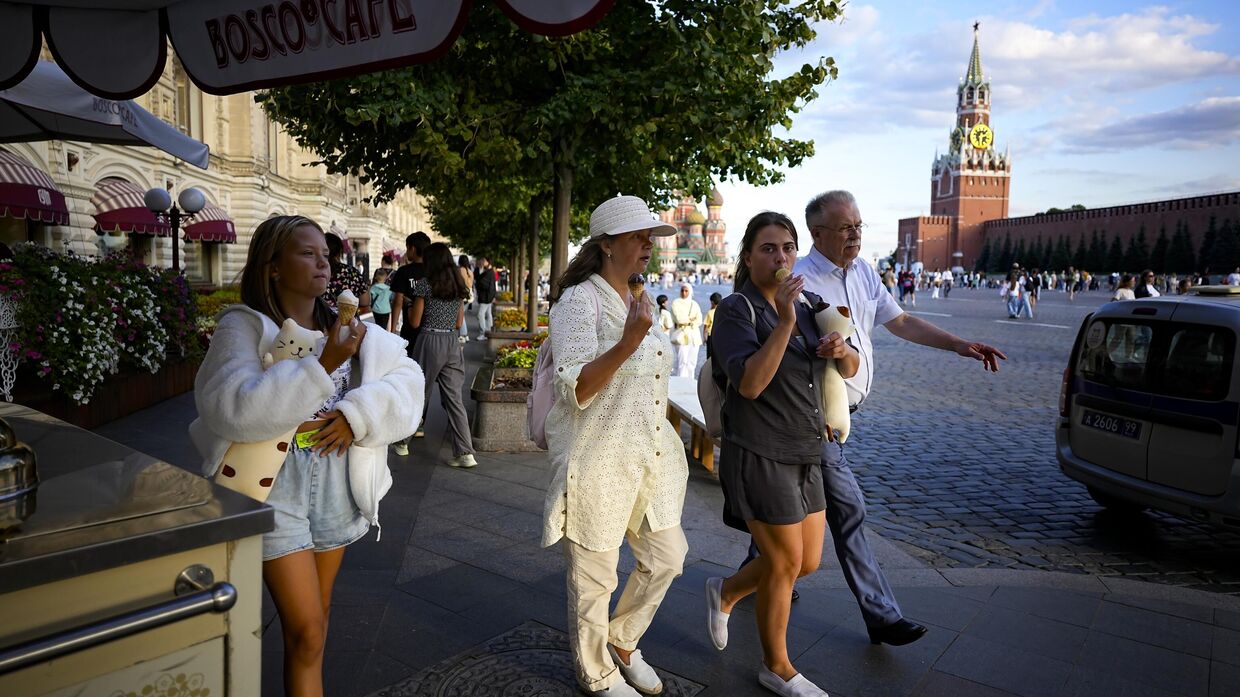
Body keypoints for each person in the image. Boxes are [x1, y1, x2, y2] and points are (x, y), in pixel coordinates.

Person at [190, 215, 423, 697]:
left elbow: (407, 381)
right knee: (307, 629)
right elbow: (230, 405)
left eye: (325, 253)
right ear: (272, 266)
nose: (322, 262)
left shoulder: (351, 326)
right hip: (275, 484)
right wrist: (324, 365)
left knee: (315, 627)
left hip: (337, 478)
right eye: (306, 253)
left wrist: (358, 414)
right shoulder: (244, 326)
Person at [791, 190, 1005, 648]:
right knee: (849, 509)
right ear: (817, 233)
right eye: (846, 227)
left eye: (859, 225)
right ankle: (881, 615)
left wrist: (958, 344)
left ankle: (765, 573)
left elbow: (902, 321)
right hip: (814, 417)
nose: (855, 233)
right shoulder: (800, 279)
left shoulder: (865, 272)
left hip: (842, 417)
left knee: (792, 503)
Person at [541, 195, 687, 697]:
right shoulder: (579, 301)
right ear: (607, 245)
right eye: (638, 236)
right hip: (598, 456)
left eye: (651, 237)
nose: (649, 245)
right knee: (595, 578)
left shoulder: (638, 297)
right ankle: (597, 672)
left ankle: (623, 640)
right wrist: (627, 342)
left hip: (648, 455)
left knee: (667, 556)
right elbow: (575, 387)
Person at [707, 212, 849, 697]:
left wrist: (838, 349)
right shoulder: (735, 310)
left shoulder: (812, 303)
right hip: (759, 450)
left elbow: (849, 365)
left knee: (807, 563)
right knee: (785, 562)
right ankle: (776, 666)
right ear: (748, 257)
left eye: (788, 247)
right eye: (769, 248)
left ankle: (727, 591)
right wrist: (786, 321)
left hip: (805, 448)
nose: (781, 257)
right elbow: (749, 383)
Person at [411, 243, 477, 468]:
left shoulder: (424, 286)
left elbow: (415, 321)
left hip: (429, 339)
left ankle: (402, 440)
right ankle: (465, 452)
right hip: (451, 342)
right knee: (454, 398)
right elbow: (459, 322)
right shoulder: (458, 286)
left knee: (419, 392)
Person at [388, 231, 431, 454]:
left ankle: (408, 422)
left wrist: (392, 328)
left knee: (407, 375)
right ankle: (421, 422)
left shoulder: (404, 272)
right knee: (424, 376)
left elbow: (397, 302)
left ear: (413, 249)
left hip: (410, 331)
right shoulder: (433, 272)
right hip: (431, 331)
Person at [322, 229, 370, 315]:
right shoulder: (352, 272)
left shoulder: (314, 270)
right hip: (348, 323)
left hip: (319, 321)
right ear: (339, 252)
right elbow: (365, 301)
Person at [669, 282, 703, 377]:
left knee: (692, 362)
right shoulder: (676, 303)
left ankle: (690, 381)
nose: (684, 293)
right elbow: (678, 318)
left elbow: (699, 319)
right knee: (682, 361)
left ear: (690, 292)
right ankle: (681, 382)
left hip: (694, 336)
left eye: (686, 291)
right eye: (682, 290)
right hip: (681, 335)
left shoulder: (694, 304)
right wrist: (691, 320)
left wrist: (688, 321)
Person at [474, 257, 496, 340]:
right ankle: (488, 330)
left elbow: (482, 282)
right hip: (488, 296)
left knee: (480, 314)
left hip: (486, 296)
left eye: (484, 261)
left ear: (488, 262)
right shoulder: (489, 271)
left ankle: (483, 333)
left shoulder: (488, 272)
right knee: (488, 313)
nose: (482, 262)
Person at [458, 254, 475, 343]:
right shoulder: (469, 270)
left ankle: (463, 334)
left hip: (463, 295)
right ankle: (464, 334)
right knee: (462, 314)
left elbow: (461, 283)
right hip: (470, 294)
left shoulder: (461, 270)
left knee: (461, 315)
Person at [704, 292, 722, 359]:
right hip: (720, 335)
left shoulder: (710, 312)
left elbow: (706, 326)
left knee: (710, 356)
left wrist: (705, 337)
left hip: (711, 336)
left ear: (712, 302)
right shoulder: (722, 311)